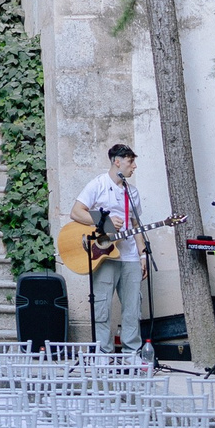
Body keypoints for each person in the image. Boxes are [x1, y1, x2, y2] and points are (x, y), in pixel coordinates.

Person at [70, 143, 148, 356]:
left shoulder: (132, 192)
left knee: (133, 308)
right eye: (131, 161)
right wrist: (103, 222)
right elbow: (76, 212)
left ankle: (132, 353)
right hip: (103, 255)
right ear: (117, 161)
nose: (135, 166)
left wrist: (142, 254)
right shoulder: (98, 185)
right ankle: (102, 354)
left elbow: (136, 224)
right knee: (102, 306)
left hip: (130, 255)